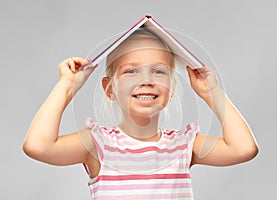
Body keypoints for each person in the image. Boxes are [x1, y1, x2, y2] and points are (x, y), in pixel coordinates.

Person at [23, 29, 259, 199]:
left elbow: (243, 149)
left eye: (158, 71)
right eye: (131, 71)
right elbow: (38, 146)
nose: (146, 80)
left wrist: (212, 93)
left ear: (172, 88)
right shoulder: (97, 145)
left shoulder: (183, 145)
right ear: (109, 88)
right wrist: (67, 86)